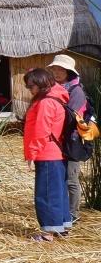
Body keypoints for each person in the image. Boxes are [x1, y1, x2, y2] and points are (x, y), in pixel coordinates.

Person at [23, 67, 71, 242]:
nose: (29, 90)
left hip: (47, 153)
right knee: (58, 192)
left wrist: (32, 154)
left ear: (41, 83)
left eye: (31, 86)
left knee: (46, 193)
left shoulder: (46, 102)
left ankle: (47, 233)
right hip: (56, 153)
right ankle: (62, 226)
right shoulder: (56, 96)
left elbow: (41, 131)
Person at [48, 54, 87, 226]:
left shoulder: (76, 91)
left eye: (60, 70)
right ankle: (64, 211)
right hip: (59, 140)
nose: (56, 72)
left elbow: (72, 117)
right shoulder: (55, 88)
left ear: (68, 72)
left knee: (71, 179)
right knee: (62, 178)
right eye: (54, 69)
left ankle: (73, 213)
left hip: (72, 141)